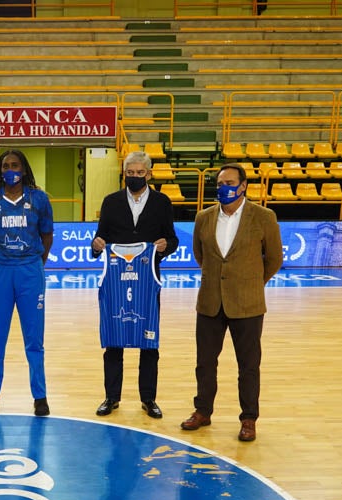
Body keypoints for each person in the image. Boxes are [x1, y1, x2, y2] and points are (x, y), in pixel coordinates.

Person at [181, 163, 283, 442]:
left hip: (248, 304)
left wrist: (251, 283)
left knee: (248, 365)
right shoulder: (204, 217)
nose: (223, 187)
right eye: (220, 183)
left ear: (243, 185)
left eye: (228, 182)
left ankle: (249, 418)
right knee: (204, 362)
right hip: (210, 301)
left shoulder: (263, 216)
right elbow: (200, 254)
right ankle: (202, 411)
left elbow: (274, 259)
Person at [91, 150, 178, 420]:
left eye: (140, 173)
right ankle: (111, 397)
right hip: (117, 279)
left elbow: (172, 239)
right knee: (114, 340)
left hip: (148, 279)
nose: (135, 177)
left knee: (149, 341)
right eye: (131, 173)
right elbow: (99, 238)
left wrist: (165, 247)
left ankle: (148, 398)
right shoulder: (111, 202)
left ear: (149, 174)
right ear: (124, 174)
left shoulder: (162, 202)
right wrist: (95, 247)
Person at [0, 148, 54, 417]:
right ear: (0, 171)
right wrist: (0, 261)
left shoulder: (39, 199)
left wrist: (33, 263)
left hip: (30, 271)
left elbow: (47, 236)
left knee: (34, 338)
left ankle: (40, 396)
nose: (10, 170)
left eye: (15, 165)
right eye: (6, 166)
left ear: (24, 168)